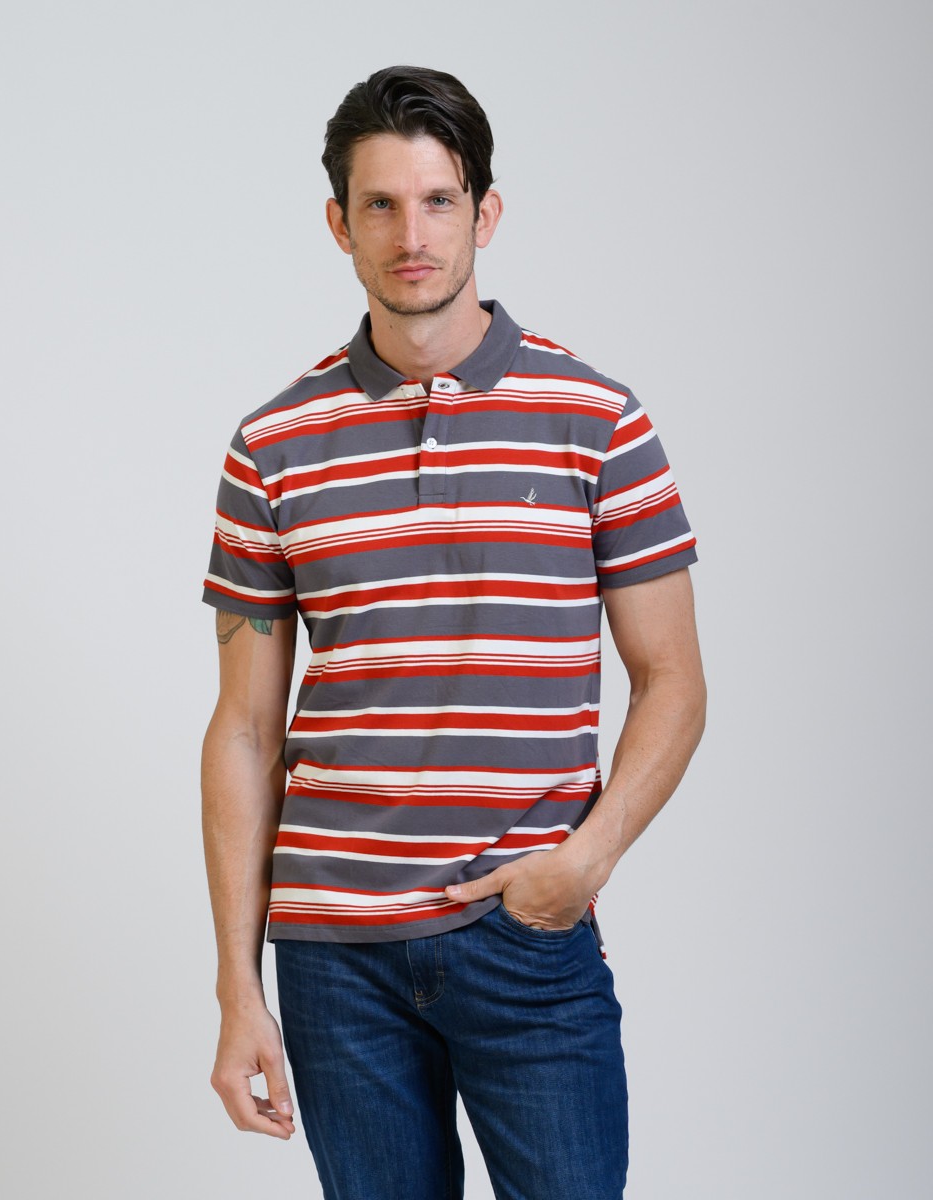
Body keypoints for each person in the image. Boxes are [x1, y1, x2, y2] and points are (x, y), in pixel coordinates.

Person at [201, 65, 706, 1200]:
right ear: (339, 224)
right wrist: (238, 987)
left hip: (525, 932)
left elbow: (673, 679)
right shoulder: (272, 444)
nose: (412, 234)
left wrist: (582, 865)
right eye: (380, 204)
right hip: (335, 959)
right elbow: (242, 730)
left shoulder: (596, 421)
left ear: (486, 211)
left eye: (438, 201)